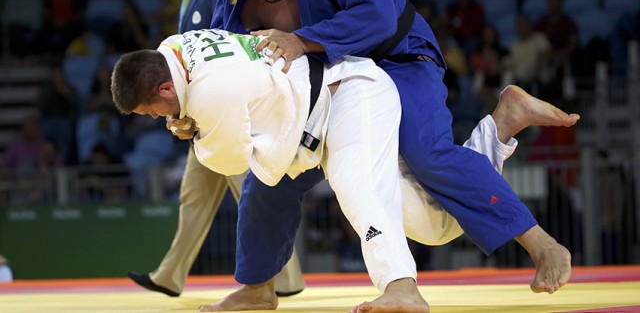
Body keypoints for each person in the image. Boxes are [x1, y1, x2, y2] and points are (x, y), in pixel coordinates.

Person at [204, 0, 573, 311]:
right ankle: (258, 288)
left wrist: (300, 40)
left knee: (426, 153)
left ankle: (542, 244)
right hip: (331, 90)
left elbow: (376, 16)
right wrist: (189, 115)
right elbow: (221, 69)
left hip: (397, 58)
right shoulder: (237, 1)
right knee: (269, 174)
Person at [111, 29, 579, 313]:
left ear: (167, 88)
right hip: (325, 115)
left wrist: (193, 131)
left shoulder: (210, 92)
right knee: (434, 226)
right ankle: (499, 127)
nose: (156, 119)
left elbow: (230, 161)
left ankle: (402, 287)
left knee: (353, 184)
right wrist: (196, 121)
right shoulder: (173, 48)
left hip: (349, 94)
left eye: (152, 111)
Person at [125, 0, 305, 298]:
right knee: (195, 194)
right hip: (200, 105)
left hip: (227, 104)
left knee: (256, 192)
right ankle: (170, 275)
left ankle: (285, 277)